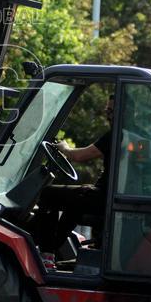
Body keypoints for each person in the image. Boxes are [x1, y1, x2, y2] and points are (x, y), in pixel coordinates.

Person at [40, 94, 114, 251]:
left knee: (47, 194)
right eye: (107, 111)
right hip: (109, 195)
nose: (109, 115)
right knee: (75, 202)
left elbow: (80, 156)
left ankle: (47, 250)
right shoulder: (129, 135)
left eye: (112, 111)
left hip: (105, 196)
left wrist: (64, 148)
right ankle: (51, 249)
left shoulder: (115, 135)